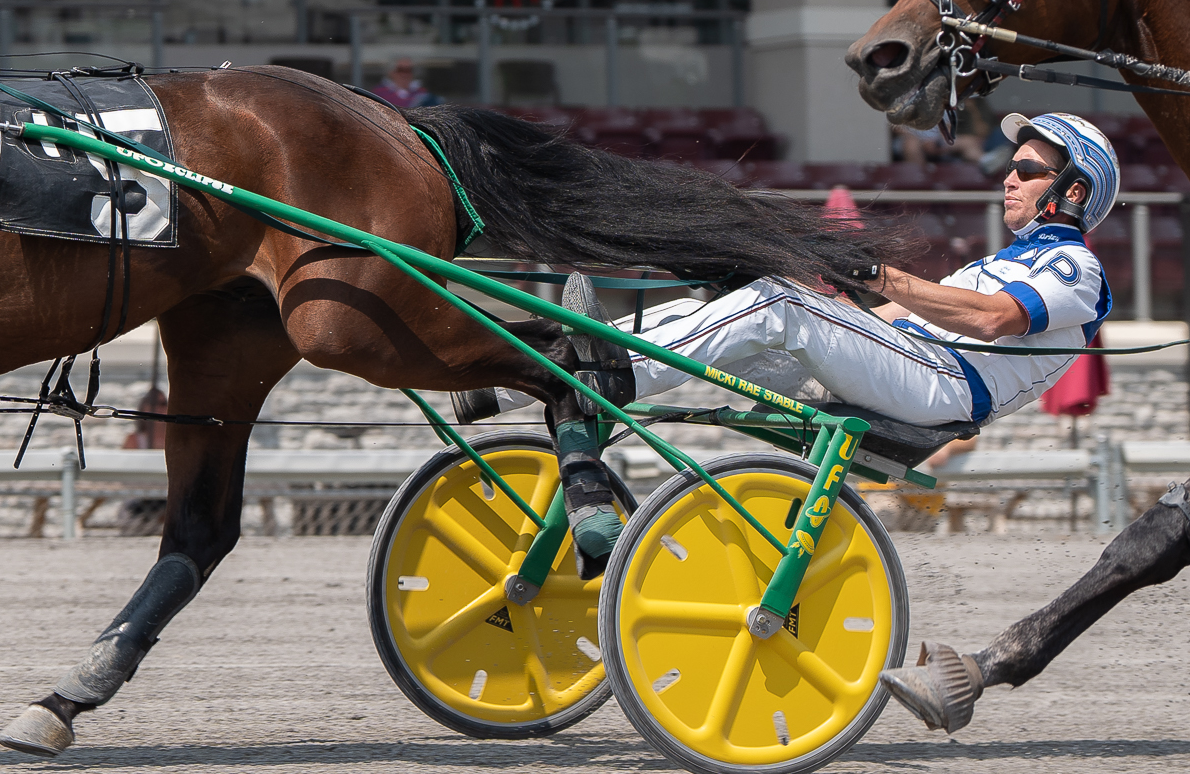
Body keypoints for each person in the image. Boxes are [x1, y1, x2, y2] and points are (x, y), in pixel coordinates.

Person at [486, 113, 1119, 567]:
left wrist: (877, 275)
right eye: (1010, 166)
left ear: (1073, 191)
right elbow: (902, 314)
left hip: (940, 385)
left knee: (782, 307)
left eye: (1028, 169)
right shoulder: (1007, 257)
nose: (1008, 177)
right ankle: (515, 379)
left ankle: (605, 379)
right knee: (719, 305)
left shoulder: (1075, 269)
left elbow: (989, 321)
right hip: (904, 363)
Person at [370, 58, 439, 109]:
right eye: (400, 70)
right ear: (391, 72)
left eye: (408, 70)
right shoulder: (379, 94)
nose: (404, 74)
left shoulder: (424, 94)